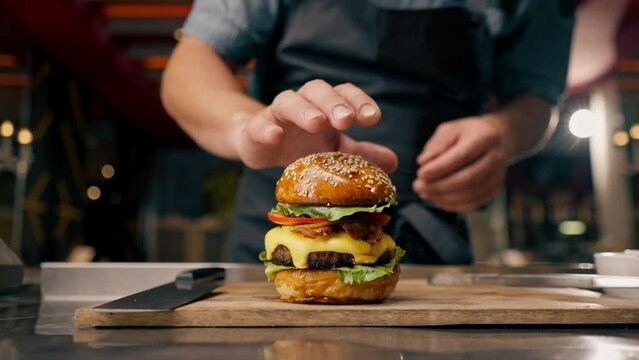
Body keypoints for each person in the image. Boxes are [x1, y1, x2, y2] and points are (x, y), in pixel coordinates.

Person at [161, 0, 574, 264]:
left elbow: (537, 97)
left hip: (431, 227)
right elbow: (189, 67)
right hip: (284, 212)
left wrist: (501, 132)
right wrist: (248, 127)